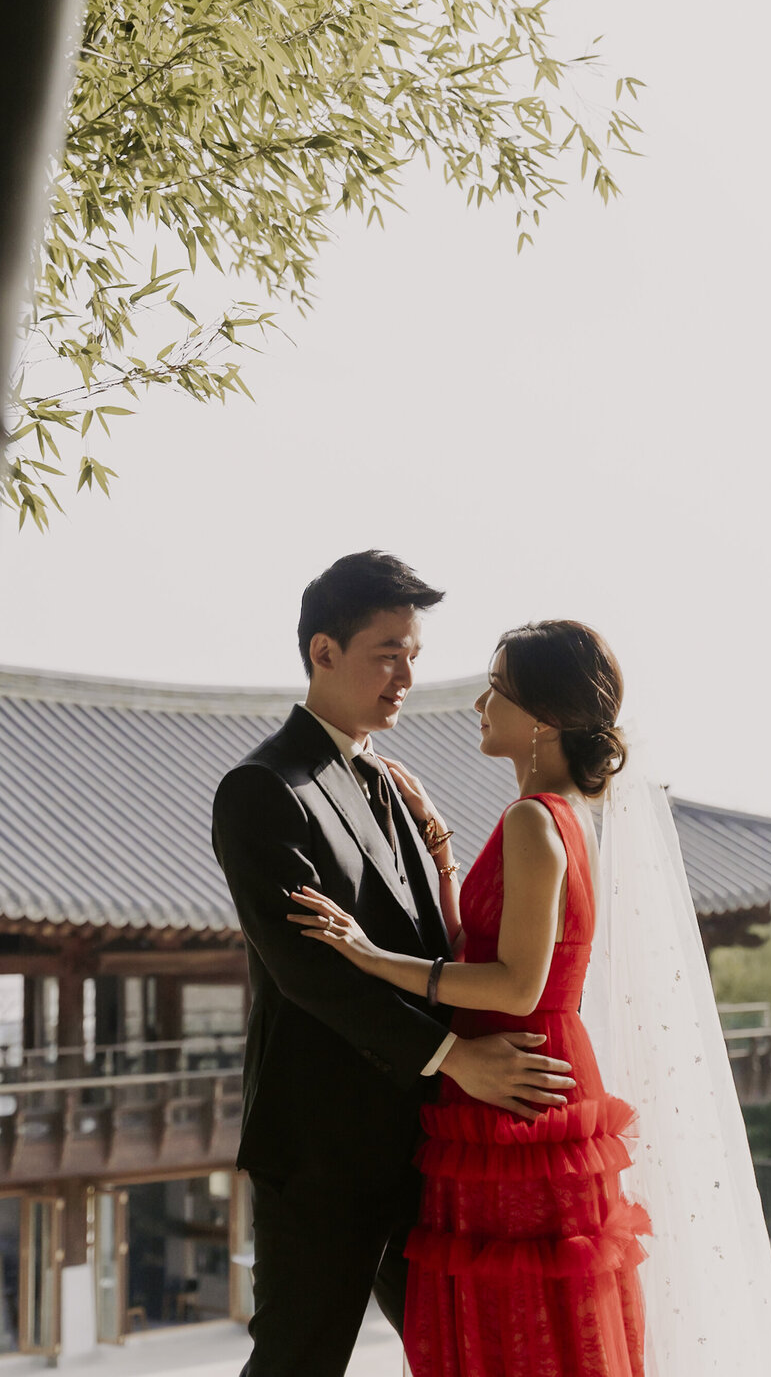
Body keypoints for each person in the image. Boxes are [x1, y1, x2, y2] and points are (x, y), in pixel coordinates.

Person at [211, 554, 576, 1377]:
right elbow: (309, 972)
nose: (407, 675)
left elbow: (436, 949)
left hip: (431, 1141)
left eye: (413, 654)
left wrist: (442, 857)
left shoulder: (390, 780)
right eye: (386, 653)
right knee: (299, 1361)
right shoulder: (263, 788)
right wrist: (456, 1056)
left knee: (468, 1353)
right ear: (322, 652)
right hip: (324, 1149)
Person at [290, 619, 651, 1377]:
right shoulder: (560, 814)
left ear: (544, 721)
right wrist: (442, 849)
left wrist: (368, 954)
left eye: (498, 689)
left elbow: (516, 985)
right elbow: (478, 948)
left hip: (512, 1084)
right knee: (543, 1316)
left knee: (512, 1318)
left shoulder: (530, 818)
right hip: (527, 1075)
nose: (479, 703)